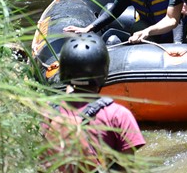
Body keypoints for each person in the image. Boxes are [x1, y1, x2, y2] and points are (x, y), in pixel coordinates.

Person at [42, 34, 145, 171]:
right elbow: (126, 167)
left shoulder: (51, 110)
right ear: (104, 71)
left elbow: (43, 160)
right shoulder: (118, 115)